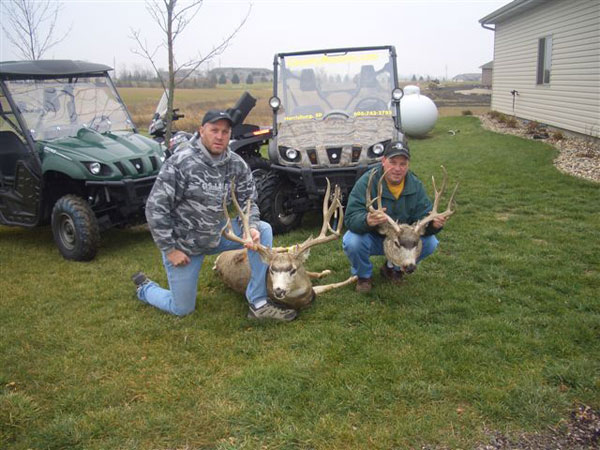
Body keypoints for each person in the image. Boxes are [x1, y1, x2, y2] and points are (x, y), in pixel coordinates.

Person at [132, 110, 297, 321]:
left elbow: (248, 201)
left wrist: (251, 227)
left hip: (218, 235)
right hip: (184, 245)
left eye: (225, 132)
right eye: (214, 130)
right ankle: (145, 289)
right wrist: (170, 249)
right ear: (202, 131)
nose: (220, 136)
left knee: (263, 230)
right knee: (181, 308)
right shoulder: (180, 163)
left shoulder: (236, 164)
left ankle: (258, 302)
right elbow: (155, 208)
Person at [342, 141, 447, 293]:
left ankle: (394, 268)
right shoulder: (367, 181)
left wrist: (434, 225)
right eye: (393, 162)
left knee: (430, 243)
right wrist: (366, 220)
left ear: (408, 164)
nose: (397, 169)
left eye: (403, 164)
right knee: (352, 241)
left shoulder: (414, 185)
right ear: (383, 161)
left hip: (403, 241)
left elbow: (425, 215)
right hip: (373, 237)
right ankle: (364, 276)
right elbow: (351, 217)